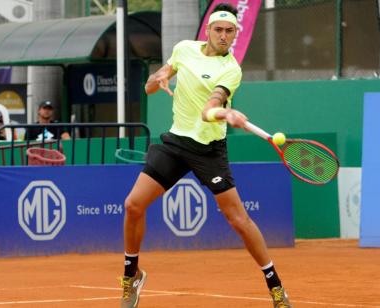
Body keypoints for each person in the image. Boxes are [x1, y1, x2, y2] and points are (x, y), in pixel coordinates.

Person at [119, 3, 292, 308]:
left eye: (229, 31)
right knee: (133, 205)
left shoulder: (231, 69)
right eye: (219, 30)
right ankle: (132, 275)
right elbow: (151, 86)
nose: (224, 36)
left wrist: (224, 112)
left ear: (235, 34)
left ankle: (275, 285)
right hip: (175, 143)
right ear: (208, 30)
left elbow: (208, 108)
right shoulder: (185, 49)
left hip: (209, 150)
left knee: (238, 219)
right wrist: (159, 77)